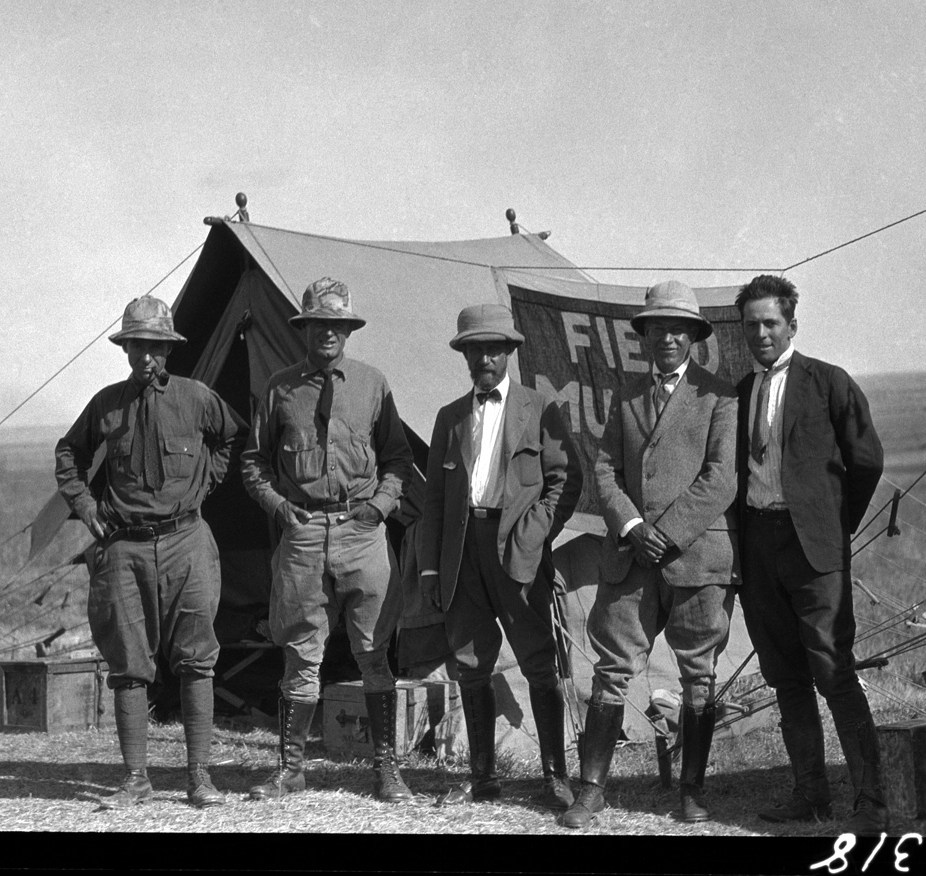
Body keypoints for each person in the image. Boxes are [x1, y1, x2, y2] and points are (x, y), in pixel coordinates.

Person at [55, 295, 248, 810]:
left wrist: (205, 486)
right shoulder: (106, 404)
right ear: (125, 348)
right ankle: (136, 779)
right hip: (124, 546)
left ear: (169, 349)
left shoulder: (196, 397)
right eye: (137, 345)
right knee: (128, 663)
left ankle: (199, 778)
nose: (147, 356)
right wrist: (87, 509)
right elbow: (68, 456)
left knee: (197, 659)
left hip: (188, 543)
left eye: (156, 346)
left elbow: (232, 438)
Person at [560, 280, 738, 829]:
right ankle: (591, 792)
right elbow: (606, 468)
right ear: (644, 336)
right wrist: (634, 526)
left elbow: (721, 478)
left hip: (696, 557)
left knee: (698, 674)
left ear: (694, 337)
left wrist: (669, 531)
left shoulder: (720, 397)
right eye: (657, 328)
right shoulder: (627, 397)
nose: (666, 337)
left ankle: (691, 791)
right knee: (613, 670)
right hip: (632, 557)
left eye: (677, 328)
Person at [241, 277, 415, 803]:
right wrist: (282, 511)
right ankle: (290, 769)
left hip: (361, 533)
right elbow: (253, 465)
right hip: (303, 534)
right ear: (305, 329)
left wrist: (379, 508)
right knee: (300, 654)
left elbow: (398, 460)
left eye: (337, 325)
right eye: (318, 324)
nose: (328, 333)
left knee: (375, 652)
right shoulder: (279, 389)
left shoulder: (372, 384)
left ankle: (387, 771)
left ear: (348, 330)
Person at [733, 274, 888, 835]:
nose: (761, 333)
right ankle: (810, 794)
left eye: (770, 322)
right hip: (758, 548)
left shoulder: (828, 383)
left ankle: (871, 799)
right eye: (751, 325)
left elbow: (866, 460)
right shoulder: (740, 393)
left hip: (816, 548)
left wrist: (833, 523)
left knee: (831, 667)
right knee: (785, 675)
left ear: (792, 324)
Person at [419, 304, 583, 809]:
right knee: (471, 662)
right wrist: (430, 565)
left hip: (519, 551)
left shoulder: (541, 409)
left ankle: (555, 775)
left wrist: (535, 535)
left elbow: (565, 480)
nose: (483, 358)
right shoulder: (450, 417)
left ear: (510, 352)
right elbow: (435, 503)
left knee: (537, 660)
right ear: (464, 356)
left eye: (493, 348)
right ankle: (483, 775)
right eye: (474, 349)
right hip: (463, 553)